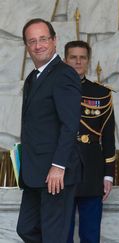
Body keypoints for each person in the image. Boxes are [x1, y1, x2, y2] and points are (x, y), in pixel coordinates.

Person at [17, 18, 82, 243]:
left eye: (43, 39)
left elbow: (70, 124)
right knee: (26, 229)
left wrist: (58, 165)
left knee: (53, 237)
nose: (38, 45)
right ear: (27, 47)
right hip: (35, 173)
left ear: (54, 40)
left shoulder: (64, 74)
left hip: (56, 174)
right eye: (32, 41)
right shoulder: (33, 78)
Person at [64, 40, 116, 243]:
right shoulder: (53, 90)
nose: (78, 61)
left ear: (88, 61)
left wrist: (108, 176)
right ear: (65, 59)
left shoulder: (101, 93)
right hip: (61, 170)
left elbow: (108, 136)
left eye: (82, 57)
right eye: (73, 57)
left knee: (91, 234)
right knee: (61, 234)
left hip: (92, 171)